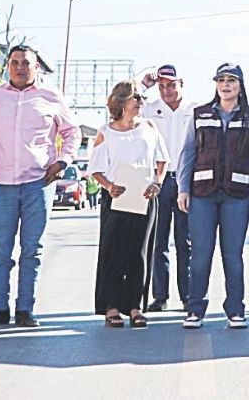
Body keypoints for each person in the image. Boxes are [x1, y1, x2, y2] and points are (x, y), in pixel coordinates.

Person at [0, 46, 81, 328]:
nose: (20, 67)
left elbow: (72, 132)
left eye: (26, 63)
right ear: (8, 66)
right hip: (1, 185)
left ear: (37, 68)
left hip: (38, 184)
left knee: (32, 249)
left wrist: (62, 162)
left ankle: (24, 310)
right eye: (15, 62)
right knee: (0, 248)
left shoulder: (51, 97)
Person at [177, 63, 249, 329]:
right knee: (200, 254)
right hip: (202, 195)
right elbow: (187, 154)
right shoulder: (200, 115)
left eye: (231, 80)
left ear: (240, 85)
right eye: (221, 80)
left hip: (237, 196)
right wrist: (182, 188)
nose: (226, 85)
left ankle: (235, 310)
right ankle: (195, 309)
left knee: (233, 255)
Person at [89, 80, 168, 328]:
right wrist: (109, 186)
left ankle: (135, 306)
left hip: (144, 197)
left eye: (142, 97)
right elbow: (96, 169)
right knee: (113, 252)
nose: (140, 102)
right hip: (116, 198)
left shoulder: (150, 127)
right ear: (121, 101)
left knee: (139, 253)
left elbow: (162, 160)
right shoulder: (106, 131)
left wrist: (157, 183)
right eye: (136, 97)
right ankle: (111, 306)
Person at [141, 64, 198, 312]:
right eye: (162, 86)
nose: (166, 91)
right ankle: (160, 296)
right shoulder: (150, 110)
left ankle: (187, 295)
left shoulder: (194, 110)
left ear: (181, 84)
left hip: (186, 181)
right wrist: (144, 85)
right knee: (158, 240)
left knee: (185, 241)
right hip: (159, 180)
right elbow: (123, 105)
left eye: (171, 85)